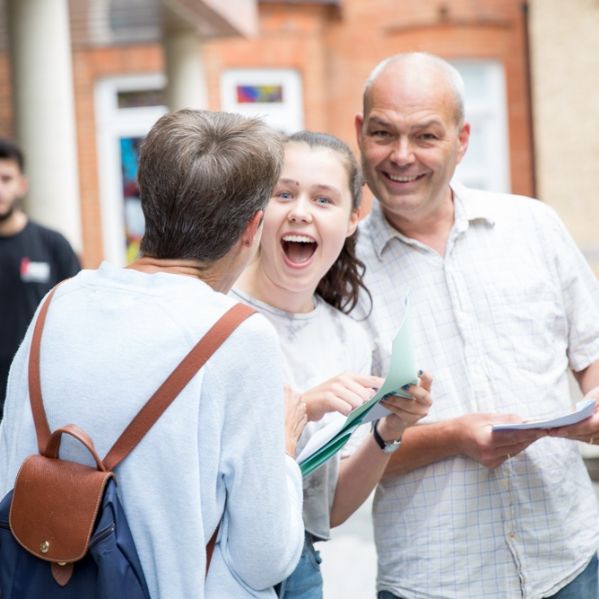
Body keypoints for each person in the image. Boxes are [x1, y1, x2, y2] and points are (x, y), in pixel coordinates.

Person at [0, 110, 305, 598]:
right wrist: (285, 454)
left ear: (146, 203)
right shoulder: (239, 337)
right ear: (252, 228)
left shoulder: (58, 303)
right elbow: (262, 557)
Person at [353, 52, 599, 599]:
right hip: (435, 580)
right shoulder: (338, 275)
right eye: (383, 133)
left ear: (462, 140)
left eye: (426, 136)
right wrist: (451, 438)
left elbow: (591, 349)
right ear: (359, 133)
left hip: (568, 560)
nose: (401, 155)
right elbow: (339, 461)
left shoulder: (533, 225)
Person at [234, 130, 432, 599]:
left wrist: (390, 430)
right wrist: (305, 405)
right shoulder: (217, 312)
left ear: (352, 220)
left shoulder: (348, 338)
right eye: (284, 193)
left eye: (323, 199)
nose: (300, 210)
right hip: (219, 561)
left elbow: (333, 508)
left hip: (300, 567)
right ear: (259, 210)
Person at [0, 138, 80, 417]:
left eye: (6, 178)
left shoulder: (53, 245)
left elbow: (77, 320)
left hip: (36, 401)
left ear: (22, 184)